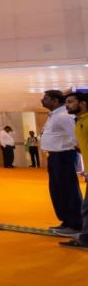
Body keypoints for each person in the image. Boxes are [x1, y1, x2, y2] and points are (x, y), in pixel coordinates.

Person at [40, 89, 82, 236]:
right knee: (58, 191)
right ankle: (67, 221)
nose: (42, 100)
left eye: (46, 98)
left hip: (63, 156)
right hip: (55, 157)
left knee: (68, 190)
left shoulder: (63, 116)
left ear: (55, 100)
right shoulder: (54, 115)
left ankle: (76, 223)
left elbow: (75, 136)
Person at [61, 92, 88, 248]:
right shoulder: (79, 121)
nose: (67, 105)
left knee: (87, 207)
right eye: (66, 102)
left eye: (71, 102)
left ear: (83, 103)